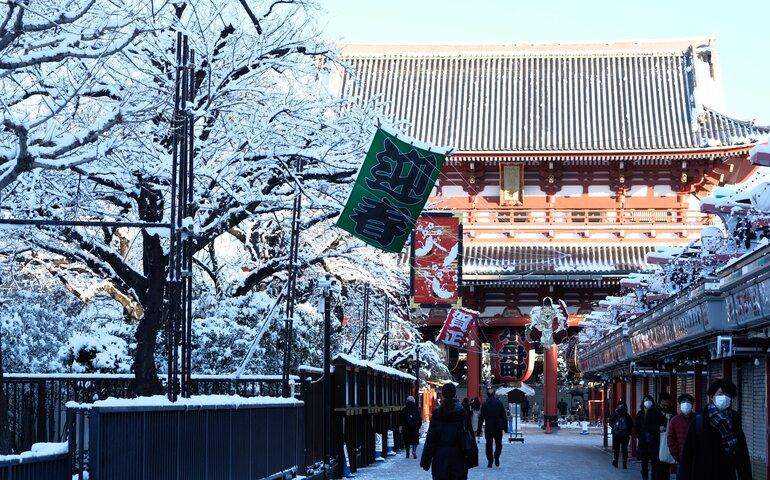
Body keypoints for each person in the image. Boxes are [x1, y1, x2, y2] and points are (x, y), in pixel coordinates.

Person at [679, 379, 752, 480]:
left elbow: (742, 454)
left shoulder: (734, 419)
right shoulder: (700, 421)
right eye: (721, 393)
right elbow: (687, 455)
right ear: (712, 396)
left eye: (728, 395)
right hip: (703, 474)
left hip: (727, 474)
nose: (724, 397)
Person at [420, 383, 470, 480]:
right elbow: (469, 435)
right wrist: (471, 457)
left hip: (440, 457)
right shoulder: (462, 413)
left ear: (442, 395)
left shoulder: (437, 414)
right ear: (455, 394)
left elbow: (431, 439)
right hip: (458, 456)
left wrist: (426, 460)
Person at [645, 392, 674, 480]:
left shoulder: (671, 410)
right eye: (665, 400)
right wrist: (658, 428)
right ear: (661, 400)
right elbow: (647, 426)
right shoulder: (652, 410)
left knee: (666, 466)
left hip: (667, 443)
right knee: (656, 467)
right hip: (655, 443)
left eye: (668, 400)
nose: (667, 402)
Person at [477, 387, 507, 468]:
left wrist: (479, 429)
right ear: (494, 394)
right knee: (498, 444)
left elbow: (481, 418)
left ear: (487, 395)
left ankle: (490, 461)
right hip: (498, 427)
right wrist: (506, 428)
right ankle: (496, 456)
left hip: (488, 427)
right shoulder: (499, 403)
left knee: (488, 445)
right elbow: (504, 416)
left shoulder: (484, 404)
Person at [667, 394, 695, 476]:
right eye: (683, 402)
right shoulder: (674, 420)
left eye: (688, 402)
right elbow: (670, 439)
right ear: (679, 404)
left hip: (696, 458)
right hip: (681, 458)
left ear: (692, 404)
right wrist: (676, 455)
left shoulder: (698, 419)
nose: (686, 404)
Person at [636, 394, 655, 480]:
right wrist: (640, 437)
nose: (647, 402)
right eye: (646, 400)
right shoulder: (640, 414)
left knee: (654, 461)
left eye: (649, 400)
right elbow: (637, 427)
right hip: (643, 441)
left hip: (653, 441)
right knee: (644, 462)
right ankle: (645, 477)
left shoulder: (655, 413)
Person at [609, 400, 633, 469]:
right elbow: (631, 424)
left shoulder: (616, 413)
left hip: (617, 434)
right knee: (624, 449)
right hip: (625, 434)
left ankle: (616, 461)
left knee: (617, 448)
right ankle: (624, 463)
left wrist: (614, 428)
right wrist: (628, 432)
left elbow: (611, 421)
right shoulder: (627, 415)